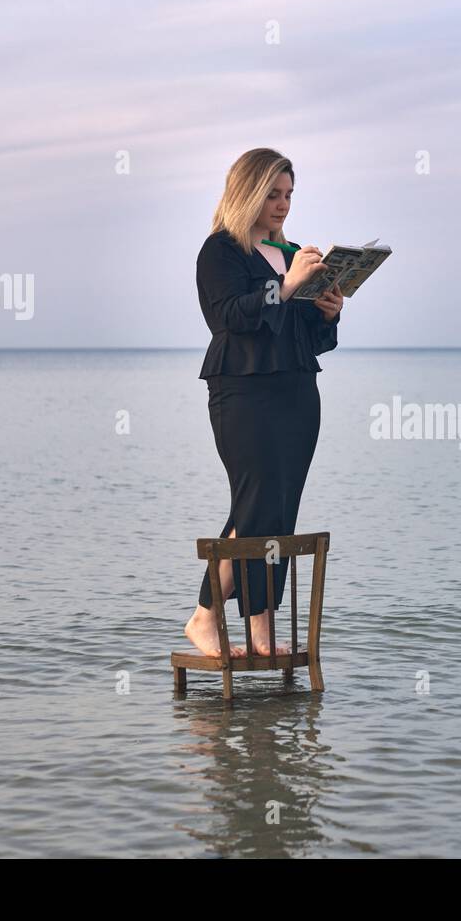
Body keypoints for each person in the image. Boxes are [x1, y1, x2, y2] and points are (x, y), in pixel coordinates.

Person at [184, 148, 343, 659]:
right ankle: (205, 616)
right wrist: (289, 284)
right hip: (242, 393)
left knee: (280, 512)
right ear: (247, 192)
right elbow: (229, 318)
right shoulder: (220, 252)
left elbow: (307, 338)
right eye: (273, 194)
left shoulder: (293, 250)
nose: (282, 205)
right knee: (253, 508)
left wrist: (326, 313)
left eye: (289, 194)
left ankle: (259, 630)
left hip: (298, 391)